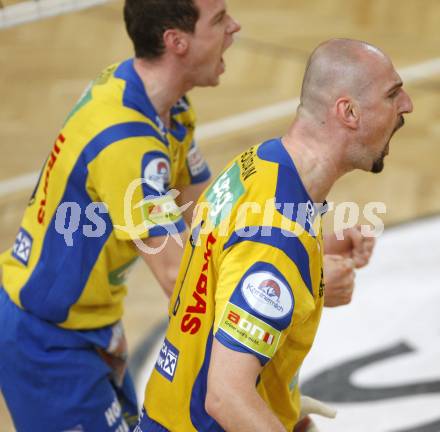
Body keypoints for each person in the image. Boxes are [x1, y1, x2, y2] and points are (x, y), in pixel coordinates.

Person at [137, 38, 413, 431]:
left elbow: (230, 267)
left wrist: (314, 258)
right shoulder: (277, 239)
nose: (407, 105)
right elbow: (227, 396)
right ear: (349, 112)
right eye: (392, 94)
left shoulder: (261, 164)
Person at [0, 1, 240, 431]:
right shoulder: (127, 141)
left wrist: (306, 243)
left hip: (89, 324)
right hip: (47, 342)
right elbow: (180, 278)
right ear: (176, 41)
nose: (235, 27)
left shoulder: (165, 105)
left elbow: (209, 216)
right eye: (220, 20)